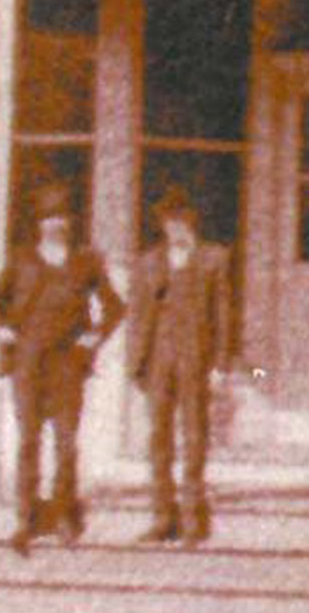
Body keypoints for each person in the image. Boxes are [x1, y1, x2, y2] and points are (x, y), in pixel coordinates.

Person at [0, 182, 125, 554]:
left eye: (61, 218)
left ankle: (65, 517)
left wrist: (93, 337)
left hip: (67, 364)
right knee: (29, 442)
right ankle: (27, 519)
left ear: (71, 222)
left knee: (66, 444)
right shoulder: (22, 260)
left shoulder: (85, 261)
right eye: (49, 218)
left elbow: (115, 306)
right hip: (28, 363)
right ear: (39, 224)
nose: (55, 225)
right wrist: (1, 328)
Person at [126, 187, 233, 545]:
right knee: (158, 437)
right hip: (158, 359)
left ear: (193, 221)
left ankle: (192, 519)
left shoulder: (213, 259)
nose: (176, 228)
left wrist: (220, 364)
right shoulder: (149, 262)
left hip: (196, 360)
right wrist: (135, 364)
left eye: (182, 220)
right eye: (169, 221)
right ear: (162, 224)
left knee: (194, 437)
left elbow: (223, 314)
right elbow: (138, 315)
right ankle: (161, 517)